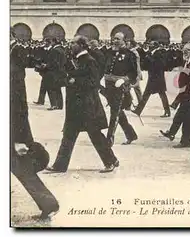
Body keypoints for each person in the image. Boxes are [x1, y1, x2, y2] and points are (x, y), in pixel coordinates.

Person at [46, 36, 119, 173]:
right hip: (76, 106)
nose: (70, 45)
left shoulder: (89, 61)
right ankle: (60, 165)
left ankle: (111, 161)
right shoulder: (75, 60)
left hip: (87, 106)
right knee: (69, 135)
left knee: (95, 135)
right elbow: (69, 76)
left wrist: (75, 82)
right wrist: (68, 80)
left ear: (81, 45)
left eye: (73, 43)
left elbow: (93, 82)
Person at [11, 29, 59, 219]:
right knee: (18, 166)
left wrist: (19, 137)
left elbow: (18, 105)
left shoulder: (13, 66)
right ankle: (48, 203)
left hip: (11, 128)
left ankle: (48, 203)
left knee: (19, 166)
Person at [103, 32, 139, 145]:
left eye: (118, 39)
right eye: (114, 39)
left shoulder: (129, 54)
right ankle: (131, 134)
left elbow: (133, 73)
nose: (115, 41)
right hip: (109, 85)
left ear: (124, 41)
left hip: (121, 86)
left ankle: (109, 138)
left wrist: (124, 80)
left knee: (115, 111)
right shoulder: (110, 53)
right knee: (117, 110)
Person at [132, 41, 171, 118]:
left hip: (158, 78)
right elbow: (146, 65)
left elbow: (161, 64)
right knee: (146, 94)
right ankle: (138, 111)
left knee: (162, 95)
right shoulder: (150, 53)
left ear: (155, 46)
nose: (149, 46)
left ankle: (167, 112)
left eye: (151, 45)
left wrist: (150, 58)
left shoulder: (159, 53)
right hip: (152, 78)